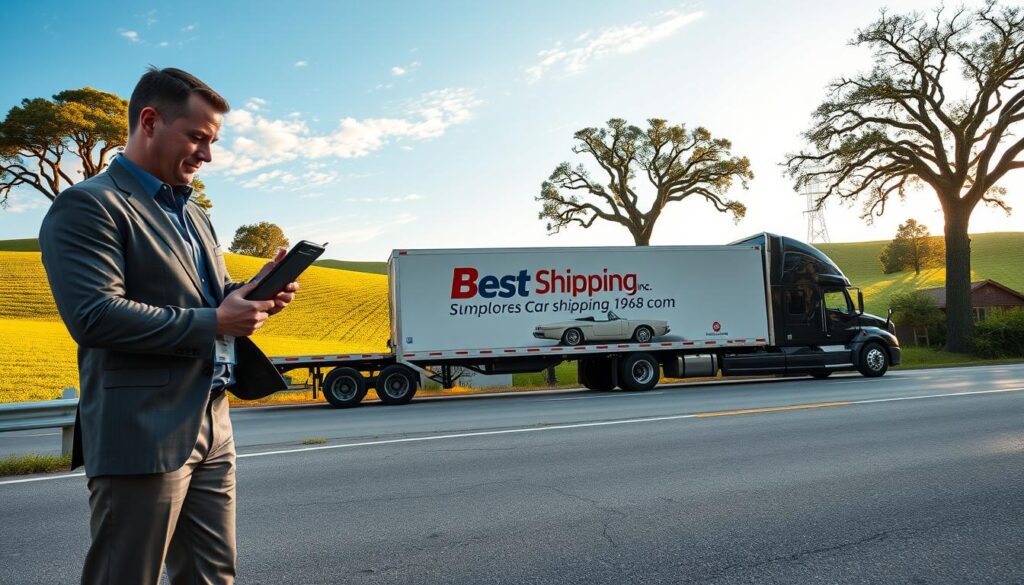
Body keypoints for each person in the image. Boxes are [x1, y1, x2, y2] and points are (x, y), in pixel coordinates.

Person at [38, 66, 298, 585]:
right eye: (198, 137)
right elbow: (94, 315)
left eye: (212, 141)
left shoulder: (194, 213)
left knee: (211, 576)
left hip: (214, 421)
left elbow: (205, 296)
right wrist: (216, 321)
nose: (207, 155)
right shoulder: (88, 205)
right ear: (150, 122)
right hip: (142, 430)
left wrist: (253, 294)